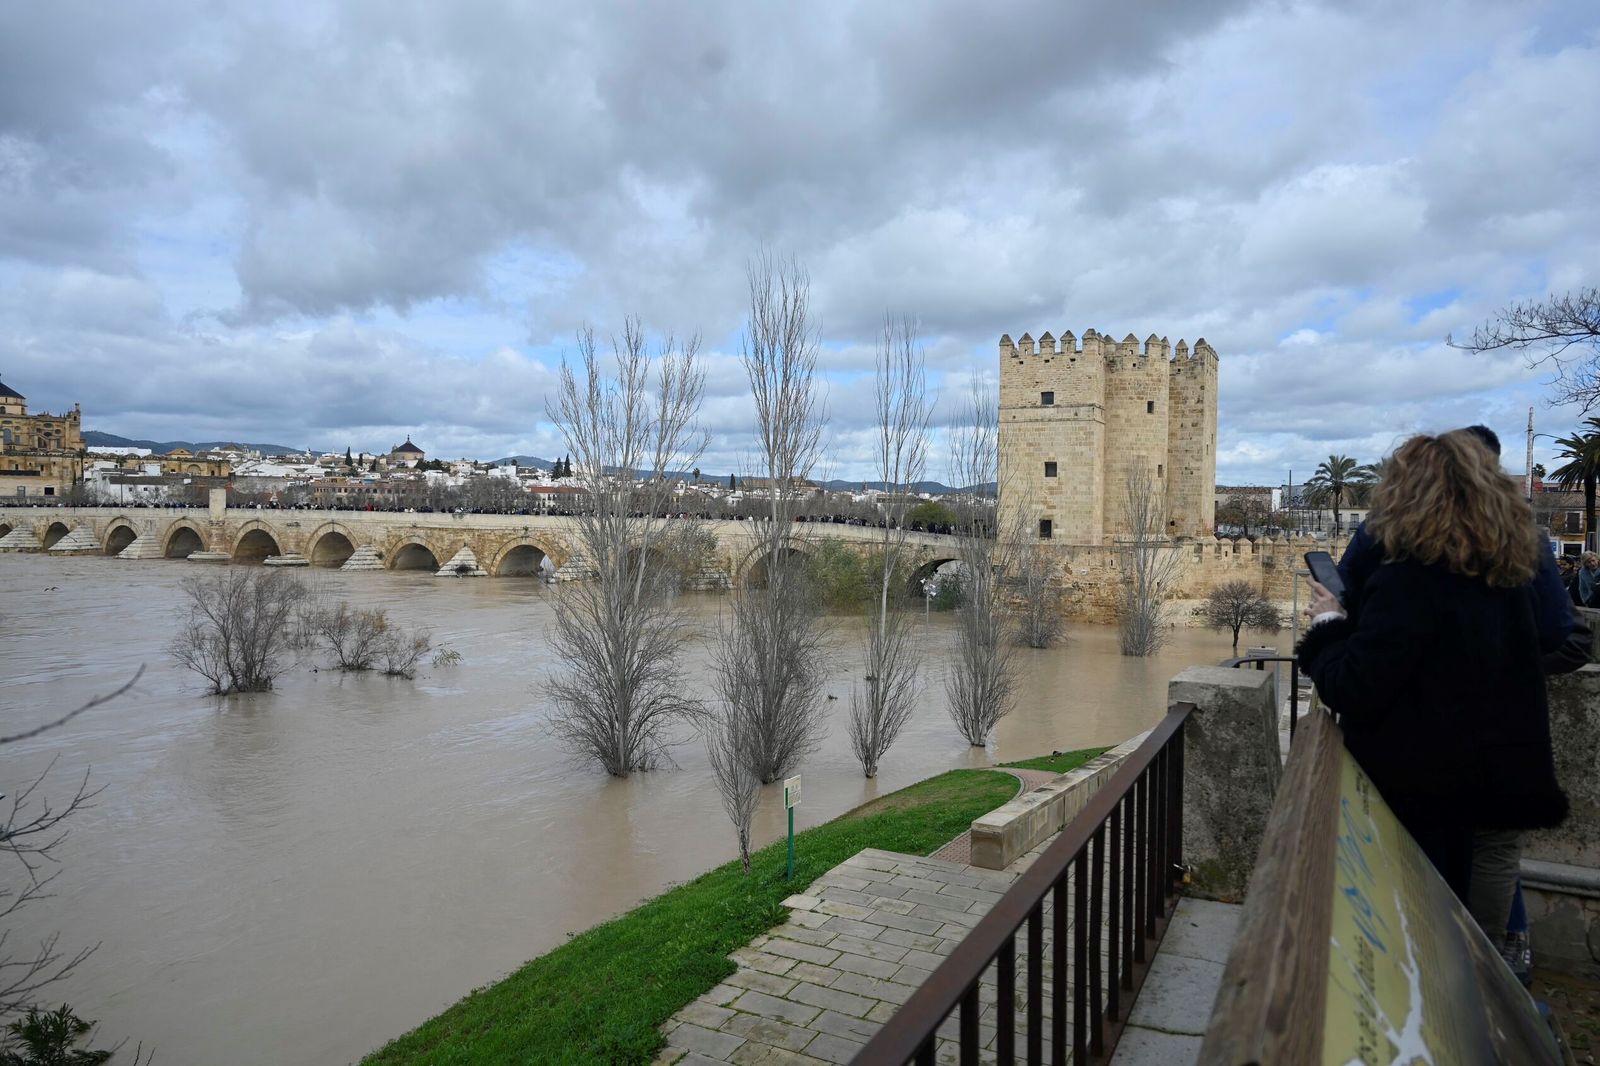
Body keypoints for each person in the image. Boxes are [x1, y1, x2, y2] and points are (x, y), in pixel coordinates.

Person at [1298, 430, 1568, 922]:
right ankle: (1501, 978)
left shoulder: (1410, 578)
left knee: (1430, 926)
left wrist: (1328, 624)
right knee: (1487, 901)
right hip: (1503, 769)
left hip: (1430, 784)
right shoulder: (1509, 568)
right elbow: (1556, 637)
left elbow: (1354, 686)